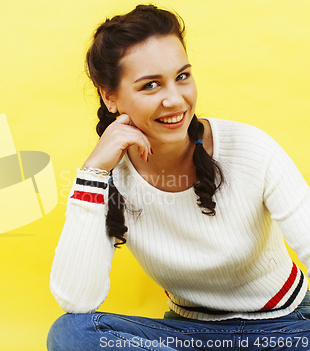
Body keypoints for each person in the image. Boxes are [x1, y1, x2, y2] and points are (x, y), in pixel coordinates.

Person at [46, 4, 310, 351]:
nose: (175, 99)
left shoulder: (251, 148)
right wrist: (93, 172)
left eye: (182, 76)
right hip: (184, 337)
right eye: (151, 85)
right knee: (69, 333)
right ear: (109, 96)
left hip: (285, 328)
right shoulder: (111, 178)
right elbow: (77, 301)